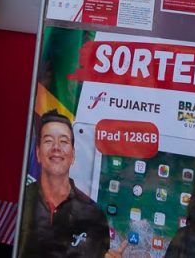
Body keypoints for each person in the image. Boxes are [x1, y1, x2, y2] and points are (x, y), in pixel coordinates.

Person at [17, 110, 126, 258]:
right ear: (38, 153)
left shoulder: (94, 214)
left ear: (73, 155)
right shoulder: (21, 200)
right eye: (48, 140)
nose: (56, 147)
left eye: (63, 141)